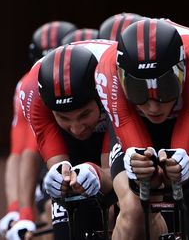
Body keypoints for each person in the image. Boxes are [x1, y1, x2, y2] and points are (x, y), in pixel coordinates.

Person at [95, 18, 189, 240]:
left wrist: (182, 162)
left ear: (182, 71)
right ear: (122, 79)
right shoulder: (107, 70)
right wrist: (142, 167)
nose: (153, 107)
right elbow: (125, 123)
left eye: (166, 89)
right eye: (138, 91)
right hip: (133, 120)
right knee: (137, 209)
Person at [18, 40, 117, 240]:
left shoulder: (110, 81)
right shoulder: (31, 93)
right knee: (65, 207)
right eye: (64, 117)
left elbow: (112, 178)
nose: (76, 127)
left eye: (84, 114)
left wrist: (98, 174)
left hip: (113, 124)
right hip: (70, 143)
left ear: (99, 99)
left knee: (118, 210)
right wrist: (23, 212)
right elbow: (55, 169)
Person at [0, 20, 78, 240]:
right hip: (50, 156)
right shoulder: (28, 87)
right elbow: (21, 153)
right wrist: (18, 211)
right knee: (49, 215)